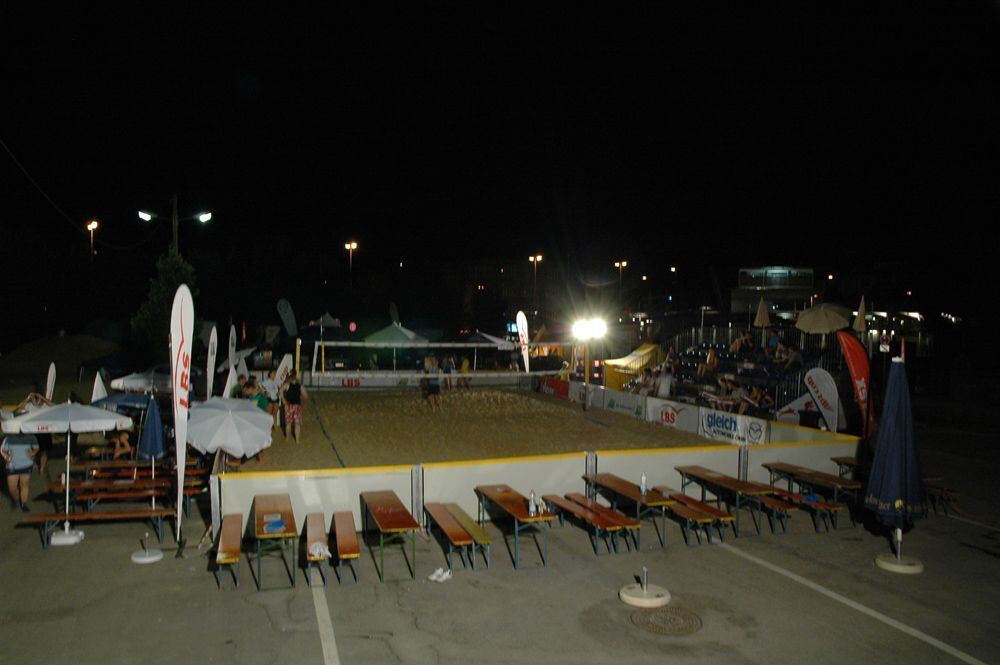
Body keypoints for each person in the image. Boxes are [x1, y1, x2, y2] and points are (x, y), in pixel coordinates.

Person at [15, 392, 52, 475]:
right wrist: (27, 399)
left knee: (44, 451)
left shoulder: (45, 407)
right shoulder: (31, 406)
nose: (38, 401)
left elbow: (55, 406)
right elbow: (19, 407)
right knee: (31, 450)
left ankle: (42, 467)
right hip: (33, 431)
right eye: (36, 399)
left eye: (39, 399)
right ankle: (30, 466)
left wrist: (44, 399)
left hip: (44, 431)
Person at [2, 432, 38, 512]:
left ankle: (23, 503)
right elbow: (3, 450)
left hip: (26, 464)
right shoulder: (9, 438)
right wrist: (6, 457)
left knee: (24, 484)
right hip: (12, 466)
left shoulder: (31, 436)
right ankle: (17, 499)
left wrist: (33, 453)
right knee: (12, 488)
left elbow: (36, 447)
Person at [281, 371, 308, 444]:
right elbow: (305, 396)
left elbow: (280, 391)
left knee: (290, 424)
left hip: (291, 406)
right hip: (294, 406)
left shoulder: (288, 385)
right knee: (295, 424)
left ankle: (290, 439)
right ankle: (296, 439)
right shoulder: (298, 386)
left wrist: (284, 402)